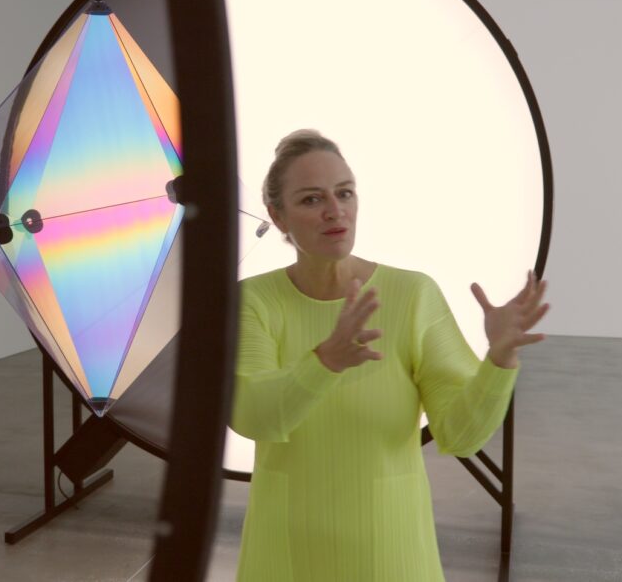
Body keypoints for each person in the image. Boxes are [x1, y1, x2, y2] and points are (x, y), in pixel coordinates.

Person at [231, 129, 549, 581]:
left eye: (345, 193)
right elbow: (253, 416)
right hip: (285, 550)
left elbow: (459, 435)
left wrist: (498, 362)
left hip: (391, 550)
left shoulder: (412, 294)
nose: (335, 210)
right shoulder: (252, 302)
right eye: (310, 200)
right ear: (278, 218)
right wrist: (325, 362)